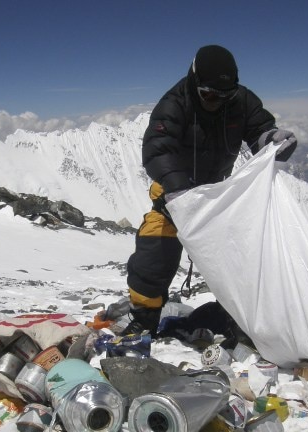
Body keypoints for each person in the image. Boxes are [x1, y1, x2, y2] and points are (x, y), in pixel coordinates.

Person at [121, 44, 298, 336]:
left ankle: (240, 318)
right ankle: (144, 318)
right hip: (173, 199)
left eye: (224, 95)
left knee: (241, 258)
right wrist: (178, 190)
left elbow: (259, 130)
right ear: (194, 80)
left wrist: (272, 140)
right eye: (209, 94)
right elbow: (156, 150)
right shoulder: (174, 104)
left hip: (218, 198)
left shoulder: (241, 101)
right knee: (154, 255)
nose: (215, 101)